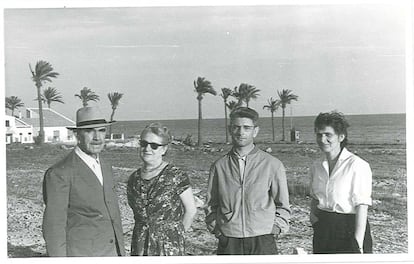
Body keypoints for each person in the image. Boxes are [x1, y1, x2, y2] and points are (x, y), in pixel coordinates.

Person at [205, 107, 291, 255]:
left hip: (263, 239)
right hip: (229, 240)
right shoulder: (219, 166)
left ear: (255, 131)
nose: (241, 132)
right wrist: (218, 230)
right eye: (236, 127)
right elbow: (211, 204)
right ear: (230, 129)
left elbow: (283, 205)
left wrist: (275, 228)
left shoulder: (272, 164)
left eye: (246, 128)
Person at [42, 106, 125, 257]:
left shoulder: (106, 167)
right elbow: (54, 228)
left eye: (101, 130)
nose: (97, 137)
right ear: (77, 134)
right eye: (89, 131)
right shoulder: (60, 173)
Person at [127, 123, 197, 256]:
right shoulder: (133, 178)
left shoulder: (176, 175)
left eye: (154, 145)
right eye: (143, 143)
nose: (147, 148)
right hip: (140, 244)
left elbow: (191, 210)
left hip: (168, 246)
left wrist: (177, 237)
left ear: (164, 149)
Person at [310, 111, 373, 254]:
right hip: (323, 227)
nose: (322, 139)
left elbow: (362, 206)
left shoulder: (357, 165)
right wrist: (314, 220)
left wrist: (358, 243)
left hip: (348, 227)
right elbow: (314, 197)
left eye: (328, 135)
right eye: (319, 134)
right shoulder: (316, 166)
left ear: (341, 137)